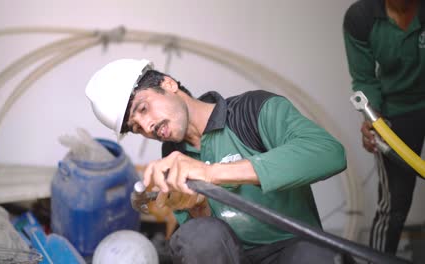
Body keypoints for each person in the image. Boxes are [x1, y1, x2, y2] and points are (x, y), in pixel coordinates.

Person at [85, 59, 352, 263]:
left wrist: (211, 173)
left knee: (315, 253)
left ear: (168, 84)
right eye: (136, 127)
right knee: (196, 235)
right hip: (237, 256)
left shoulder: (251, 111)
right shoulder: (173, 156)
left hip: (295, 249)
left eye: (143, 109)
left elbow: (328, 153)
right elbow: (205, 245)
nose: (147, 126)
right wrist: (197, 208)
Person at [343, 0, 425, 255]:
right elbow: (365, 78)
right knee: (395, 203)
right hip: (395, 113)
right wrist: (373, 120)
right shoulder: (361, 17)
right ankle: (376, 260)